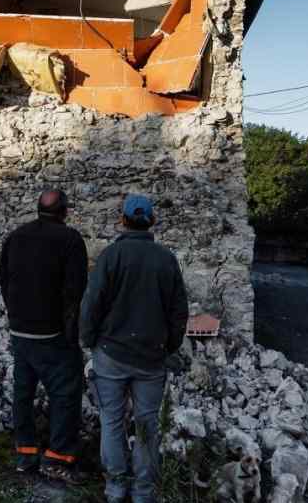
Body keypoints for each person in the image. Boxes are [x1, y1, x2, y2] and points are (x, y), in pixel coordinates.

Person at [80, 194, 189, 503]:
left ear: (123, 220)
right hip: (151, 358)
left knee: (111, 421)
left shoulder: (111, 256)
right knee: (146, 426)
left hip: (111, 355)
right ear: (152, 221)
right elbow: (179, 311)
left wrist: (89, 340)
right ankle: (143, 493)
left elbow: (92, 303)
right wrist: (169, 346)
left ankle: (115, 488)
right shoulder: (166, 259)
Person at [0, 189, 88, 481]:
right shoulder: (70, 240)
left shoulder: (15, 237)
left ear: (38, 209)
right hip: (51, 334)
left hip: (20, 331)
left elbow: (3, 280)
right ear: (64, 211)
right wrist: (70, 335)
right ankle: (58, 457)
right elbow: (75, 291)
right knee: (64, 392)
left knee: (23, 392)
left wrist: (16, 315)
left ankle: (25, 452)